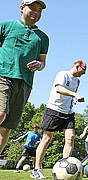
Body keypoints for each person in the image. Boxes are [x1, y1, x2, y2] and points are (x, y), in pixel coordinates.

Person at [0, 0, 49, 155]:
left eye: (39, 10)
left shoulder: (42, 38)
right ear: (21, 8)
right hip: (3, 75)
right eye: (32, 8)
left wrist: (39, 65)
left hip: (25, 83)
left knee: (6, 128)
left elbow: (43, 63)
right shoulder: (6, 26)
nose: (36, 12)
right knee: (0, 114)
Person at [30, 60, 86, 179]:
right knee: (47, 139)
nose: (84, 73)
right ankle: (36, 169)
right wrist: (75, 95)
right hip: (54, 110)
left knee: (70, 138)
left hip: (68, 113)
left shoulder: (78, 81)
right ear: (76, 66)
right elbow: (59, 89)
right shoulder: (63, 74)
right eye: (83, 70)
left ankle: (63, 169)